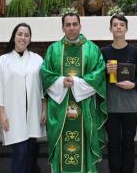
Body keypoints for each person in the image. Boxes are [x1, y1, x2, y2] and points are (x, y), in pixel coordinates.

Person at [40, 13, 107, 173]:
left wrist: (76, 83)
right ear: (63, 27)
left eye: (74, 24)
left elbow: (99, 73)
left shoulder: (92, 49)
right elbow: (45, 73)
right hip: (59, 106)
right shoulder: (54, 49)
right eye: (68, 25)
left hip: (84, 107)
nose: (71, 28)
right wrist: (60, 82)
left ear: (80, 26)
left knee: (84, 140)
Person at [0, 23, 46, 173]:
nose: (23, 37)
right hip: (13, 114)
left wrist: (44, 110)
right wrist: (1, 115)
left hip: (33, 112)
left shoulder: (37, 60)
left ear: (30, 39)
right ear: (14, 37)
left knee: (31, 152)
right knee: (20, 152)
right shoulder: (3, 61)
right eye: (20, 34)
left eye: (26, 35)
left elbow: (43, 88)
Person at [101, 14, 137, 173]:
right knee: (113, 144)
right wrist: (105, 71)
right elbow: (97, 78)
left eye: (121, 24)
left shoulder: (135, 51)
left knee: (128, 143)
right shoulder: (104, 51)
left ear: (126, 28)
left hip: (130, 106)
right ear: (110, 28)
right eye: (115, 25)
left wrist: (133, 84)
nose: (118, 27)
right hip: (111, 106)